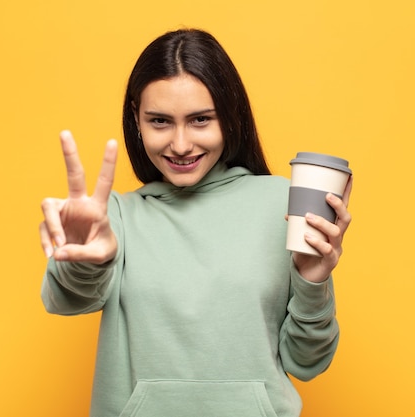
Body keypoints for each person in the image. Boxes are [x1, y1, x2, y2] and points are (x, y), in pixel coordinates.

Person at [39, 28, 353, 417]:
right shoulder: (116, 217)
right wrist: (83, 259)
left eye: (201, 120)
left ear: (230, 115)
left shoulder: (284, 205)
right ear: (137, 119)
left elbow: (307, 361)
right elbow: (66, 300)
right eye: (160, 122)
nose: (181, 144)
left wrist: (313, 281)